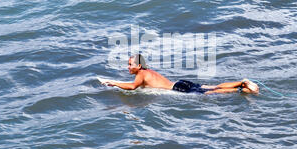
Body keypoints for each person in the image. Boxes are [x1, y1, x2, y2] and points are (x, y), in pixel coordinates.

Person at [101, 54, 259, 95]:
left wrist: (113, 83)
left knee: (210, 93)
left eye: (130, 65)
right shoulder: (148, 71)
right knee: (210, 87)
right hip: (181, 82)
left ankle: (242, 89)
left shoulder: (141, 74)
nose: (128, 67)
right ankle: (241, 82)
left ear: (139, 66)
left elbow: (133, 87)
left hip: (178, 88)